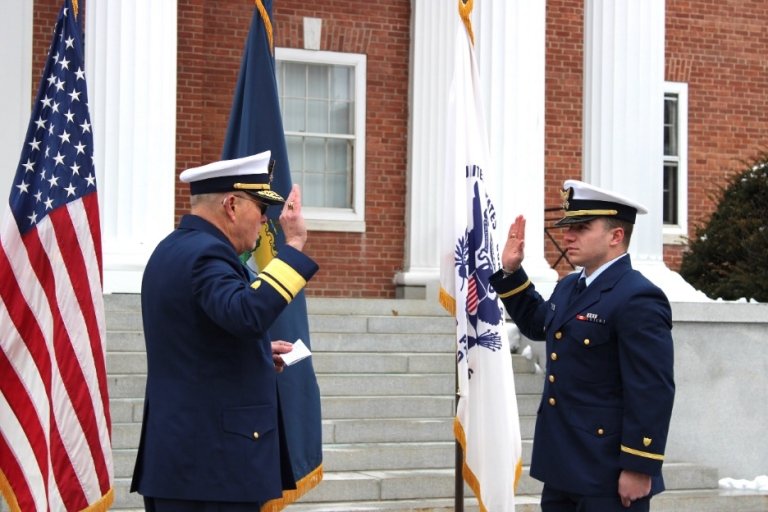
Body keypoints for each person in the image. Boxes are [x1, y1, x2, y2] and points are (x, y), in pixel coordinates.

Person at [130, 150, 319, 511]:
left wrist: (259, 354)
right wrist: (294, 245)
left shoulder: (172, 249)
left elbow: (199, 339)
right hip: (211, 469)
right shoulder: (207, 255)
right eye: (260, 207)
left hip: (187, 465)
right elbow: (246, 314)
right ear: (231, 204)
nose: (266, 220)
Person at [489, 180, 675, 512]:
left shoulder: (637, 296)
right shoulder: (571, 285)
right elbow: (537, 324)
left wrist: (639, 465)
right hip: (562, 461)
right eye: (568, 227)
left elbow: (651, 388)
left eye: (581, 227)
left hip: (606, 471)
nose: (568, 236)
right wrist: (512, 272)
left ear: (616, 236)